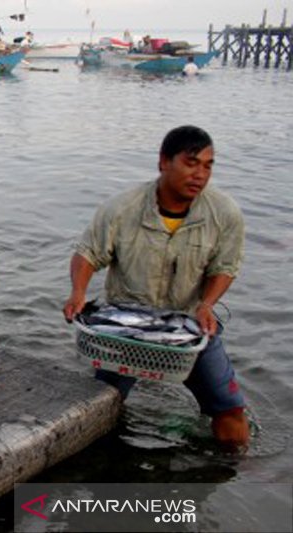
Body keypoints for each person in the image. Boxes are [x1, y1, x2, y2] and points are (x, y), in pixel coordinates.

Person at [62, 125, 249, 449]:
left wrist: (207, 304)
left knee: (230, 411)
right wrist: (78, 292)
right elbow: (87, 253)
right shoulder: (122, 208)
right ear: (164, 162)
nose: (200, 174)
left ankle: (231, 475)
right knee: (98, 409)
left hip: (188, 324)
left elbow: (225, 267)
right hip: (125, 328)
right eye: (191, 163)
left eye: (208, 165)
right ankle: (100, 470)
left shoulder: (224, 213)